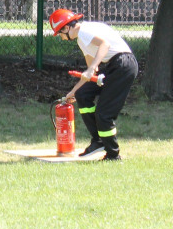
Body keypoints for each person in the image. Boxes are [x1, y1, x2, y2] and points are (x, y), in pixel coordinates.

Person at [49, 9, 138, 161]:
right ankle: (98, 141)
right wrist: (73, 92)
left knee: (104, 114)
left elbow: (105, 44)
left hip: (123, 65)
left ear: (66, 27)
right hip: (113, 66)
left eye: (60, 34)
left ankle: (113, 155)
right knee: (83, 94)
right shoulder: (82, 40)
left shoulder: (84, 31)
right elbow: (91, 71)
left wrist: (90, 70)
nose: (62, 38)